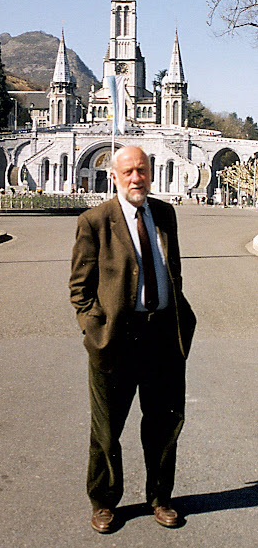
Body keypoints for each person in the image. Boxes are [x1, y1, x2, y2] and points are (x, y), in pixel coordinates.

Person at [69, 146, 196, 533]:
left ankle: (160, 498)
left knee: (164, 422)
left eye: (141, 170)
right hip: (116, 337)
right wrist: (95, 330)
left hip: (161, 334)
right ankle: (104, 501)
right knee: (107, 429)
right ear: (114, 177)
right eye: (128, 172)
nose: (136, 178)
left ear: (150, 172)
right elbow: (79, 287)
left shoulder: (166, 214)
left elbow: (171, 269)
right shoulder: (94, 220)